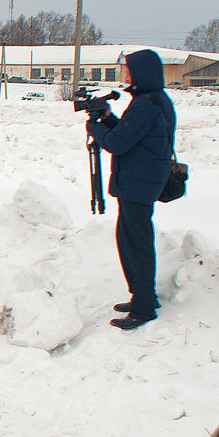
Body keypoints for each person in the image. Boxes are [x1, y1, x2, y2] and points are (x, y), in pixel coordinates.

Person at [86, 48, 177, 330]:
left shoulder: (145, 105)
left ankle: (144, 307)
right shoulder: (156, 100)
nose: (126, 75)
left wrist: (95, 128)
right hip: (143, 180)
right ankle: (143, 296)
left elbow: (117, 143)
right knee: (133, 238)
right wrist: (108, 119)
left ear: (141, 73)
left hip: (138, 183)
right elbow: (130, 134)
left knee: (134, 242)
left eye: (129, 70)